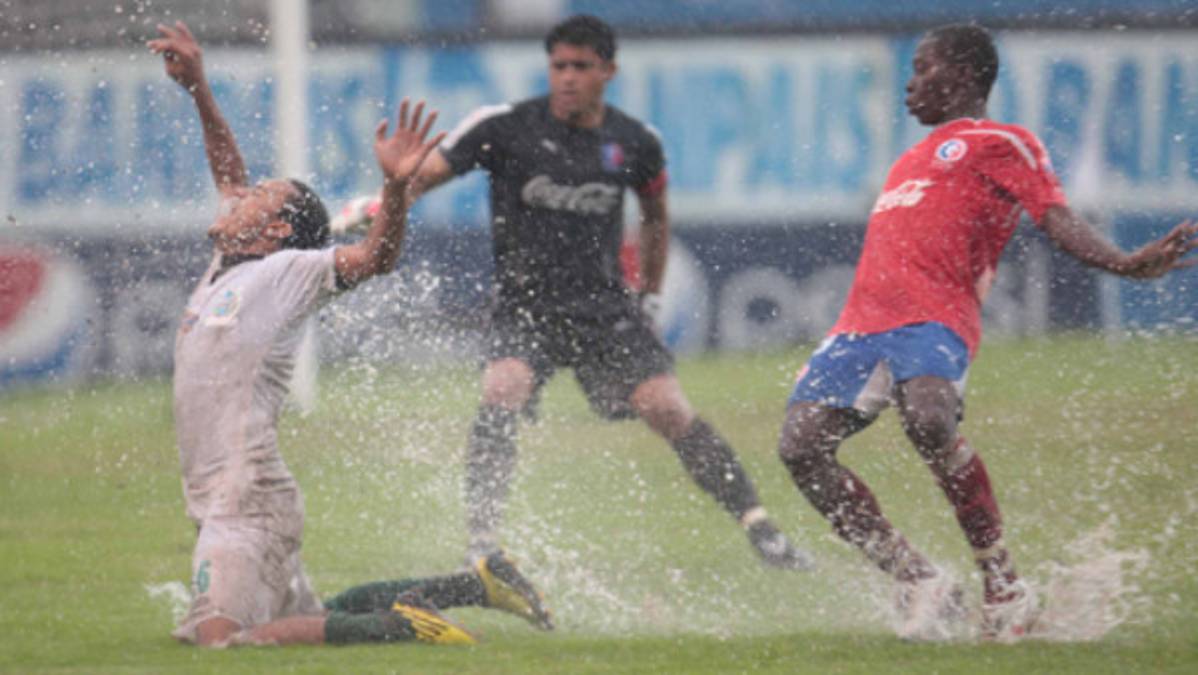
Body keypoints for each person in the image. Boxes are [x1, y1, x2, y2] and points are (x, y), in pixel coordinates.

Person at [776, 23, 1198, 642]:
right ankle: (918, 579)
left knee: (927, 418)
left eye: (923, 68)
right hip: (861, 323)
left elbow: (1053, 216)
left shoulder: (1003, 142)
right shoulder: (908, 159)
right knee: (799, 446)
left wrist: (1120, 261)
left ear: (967, 75)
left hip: (934, 316)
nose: (911, 82)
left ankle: (1004, 584)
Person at [151, 21, 549, 647]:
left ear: (278, 229)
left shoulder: (286, 270)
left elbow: (374, 258)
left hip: (247, 502)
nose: (239, 192)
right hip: (231, 497)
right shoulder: (225, 266)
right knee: (312, 612)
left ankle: (404, 628)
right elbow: (226, 165)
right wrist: (198, 87)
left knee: (222, 640)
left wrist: (393, 186)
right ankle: (475, 586)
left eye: (259, 193)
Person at [401, 14, 813, 572]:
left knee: (666, 406)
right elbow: (422, 177)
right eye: (559, 66)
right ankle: (481, 544)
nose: (567, 77)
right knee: (504, 386)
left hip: (602, 307)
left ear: (608, 71)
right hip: (526, 305)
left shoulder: (635, 141)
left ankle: (761, 528)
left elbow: (655, 217)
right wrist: (398, 178)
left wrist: (649, 294)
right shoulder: (505, 126)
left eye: (581, 66)